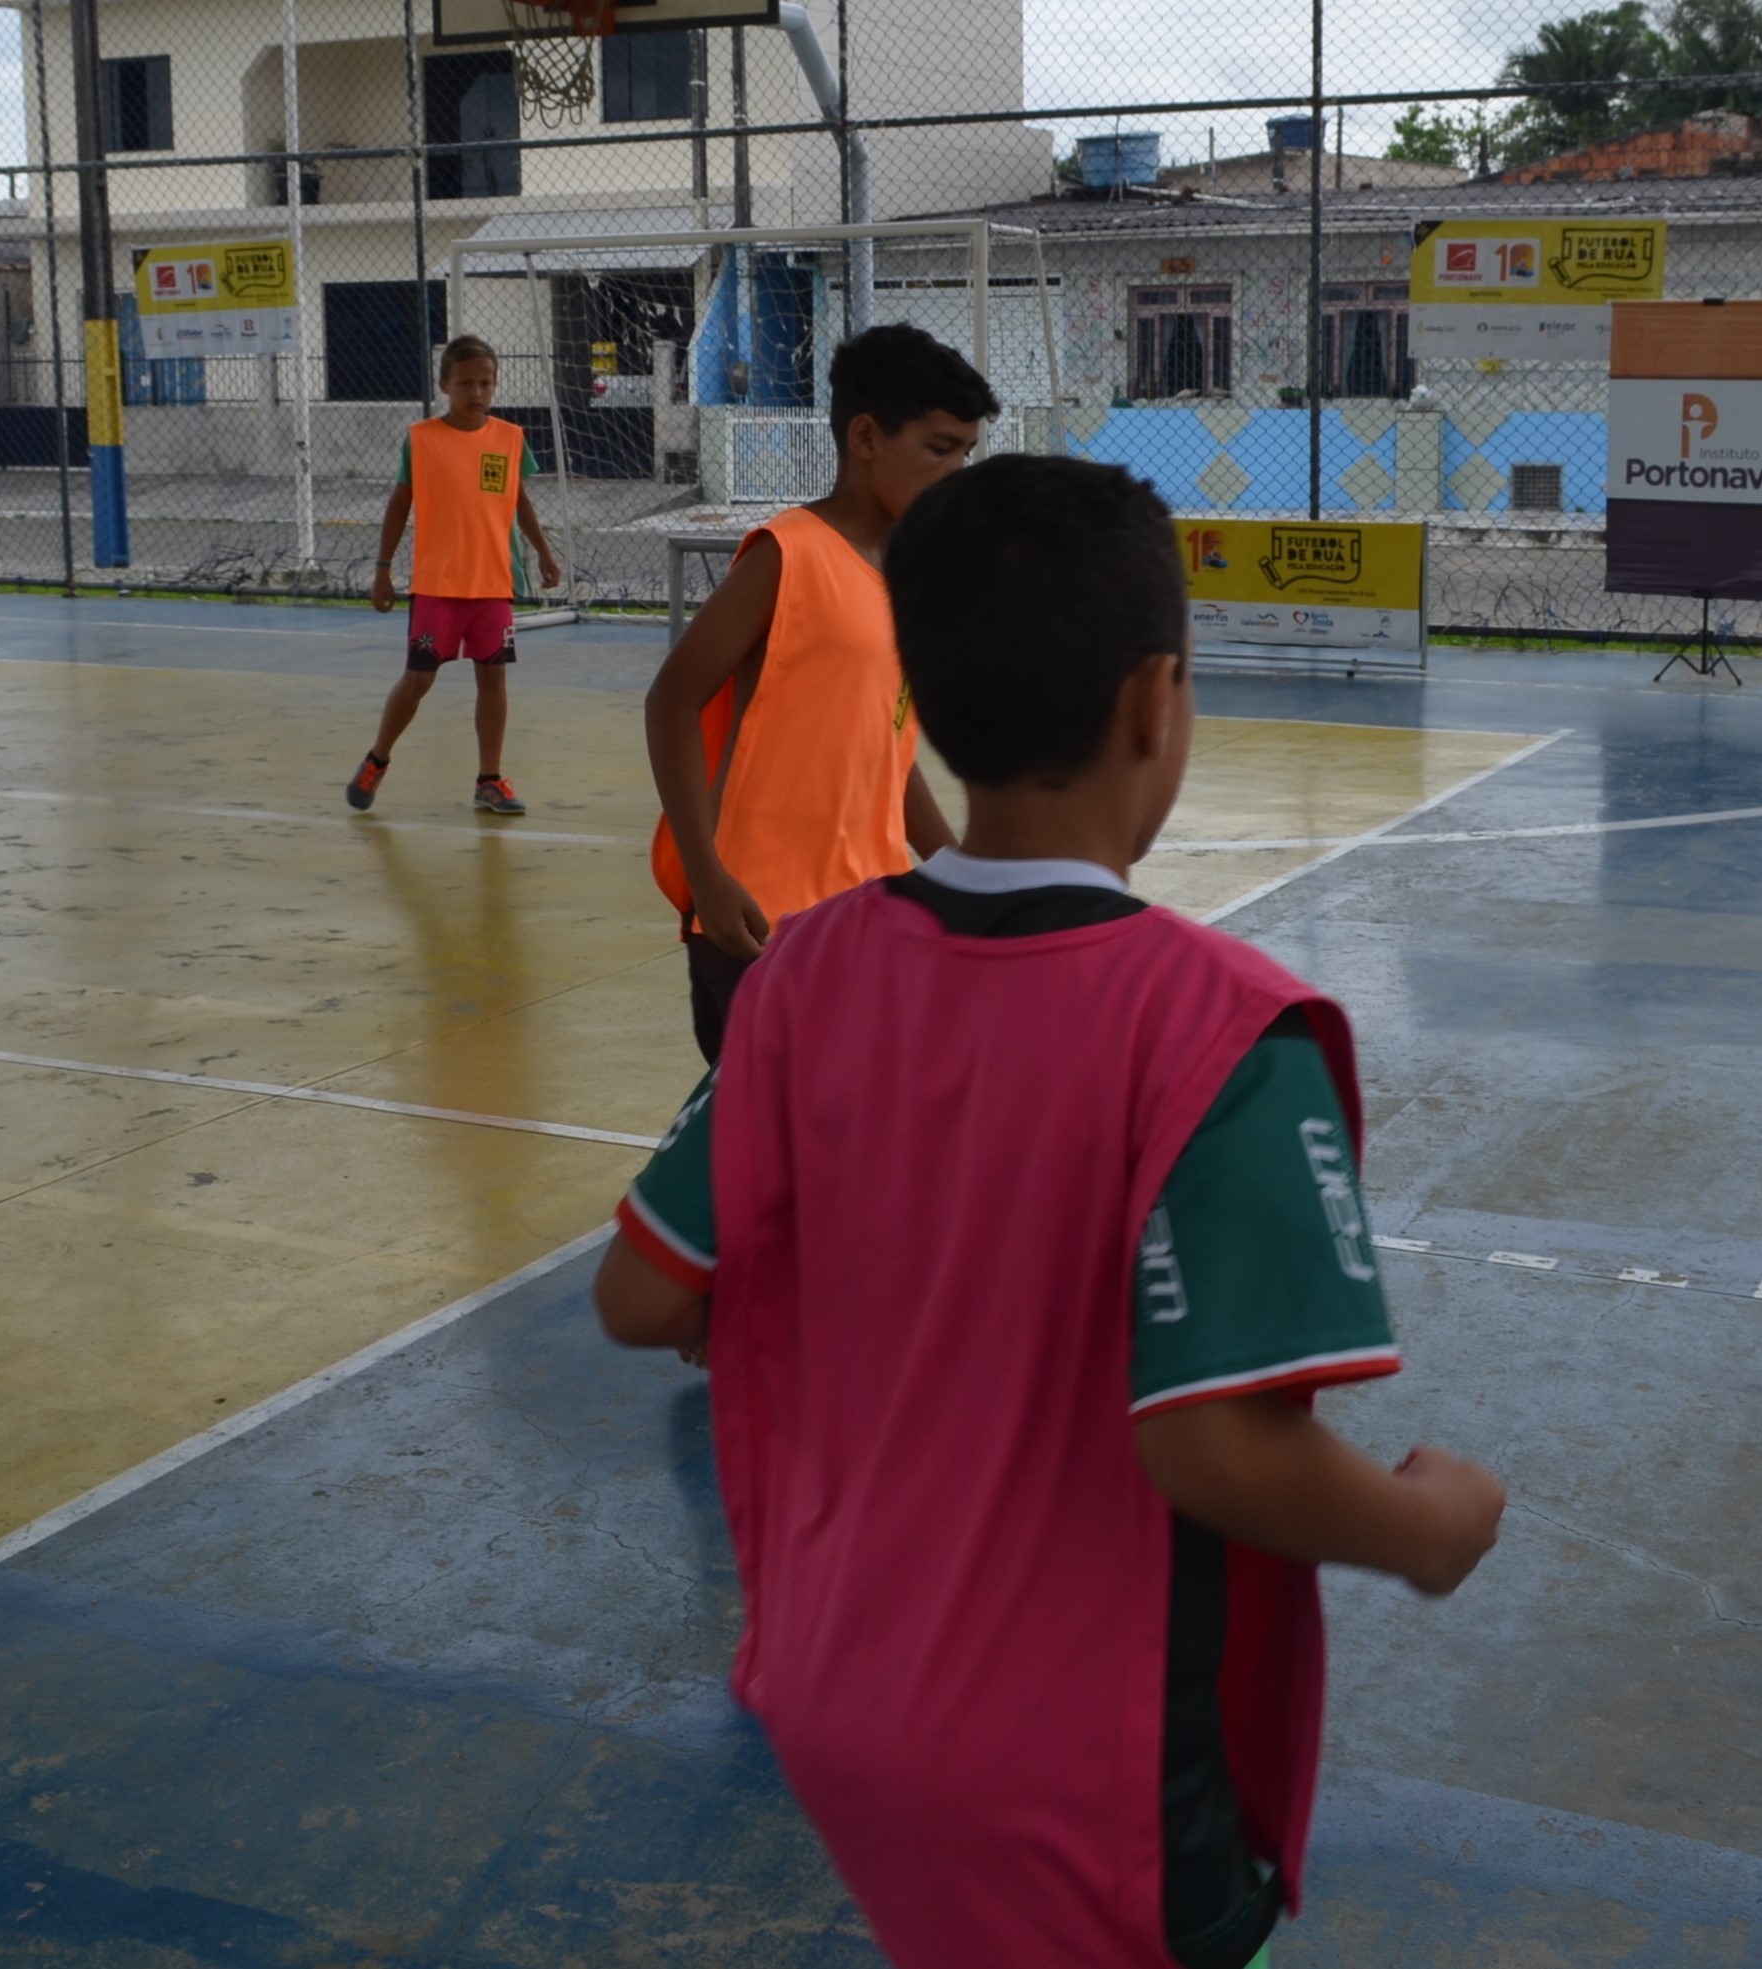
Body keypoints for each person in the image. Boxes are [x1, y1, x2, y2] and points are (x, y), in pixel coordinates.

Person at [594, 454, 1506, 1969]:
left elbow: (644, 1294)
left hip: (838, 1699)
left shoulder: (801, 980)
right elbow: (1209, 1442)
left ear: (926, 706)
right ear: (1158, 703)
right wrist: (1420, 1525)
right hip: (1085, 1772)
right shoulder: (1223, 1030)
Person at [645, 324, 990, 1063]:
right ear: (865, 437)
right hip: (759, 919)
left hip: (866, 916)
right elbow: (671, 702)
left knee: (852, 1147)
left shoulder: (905, 575)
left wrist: (958, 868)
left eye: (966, 451)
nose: (957, 470)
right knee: (770, 1151)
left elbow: (886, 755)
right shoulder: (788, 553)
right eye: (939, 448)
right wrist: (707, 877)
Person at [349, 334, 559, 816]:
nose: (476, 392)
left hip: (491, 586)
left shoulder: (509, 438)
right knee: (418, 681)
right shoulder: (421, 439)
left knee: (494, 679)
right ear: (445, 383)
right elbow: (400, 503)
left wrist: (543, 550)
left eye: (485, 383)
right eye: (465, 383)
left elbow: (519, 500)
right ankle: (377, 759)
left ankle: (490, 779)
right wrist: (382, 570)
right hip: (437, 587)